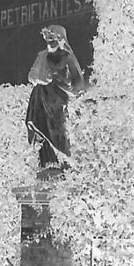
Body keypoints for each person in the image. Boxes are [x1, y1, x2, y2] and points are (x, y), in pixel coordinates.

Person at [26, 24, 85, 169]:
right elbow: (31, 75)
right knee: (39, 128)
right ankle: (47, 165)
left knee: (57, 132)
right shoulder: (42, 55)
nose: (49, 42)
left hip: (58, 100)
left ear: (60, 39)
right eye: (47, 39)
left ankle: (62, 164)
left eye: (52, 39)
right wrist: (41, 78)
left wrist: (64, 83)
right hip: (40, 98)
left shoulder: (67, 57)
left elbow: (78, 84)